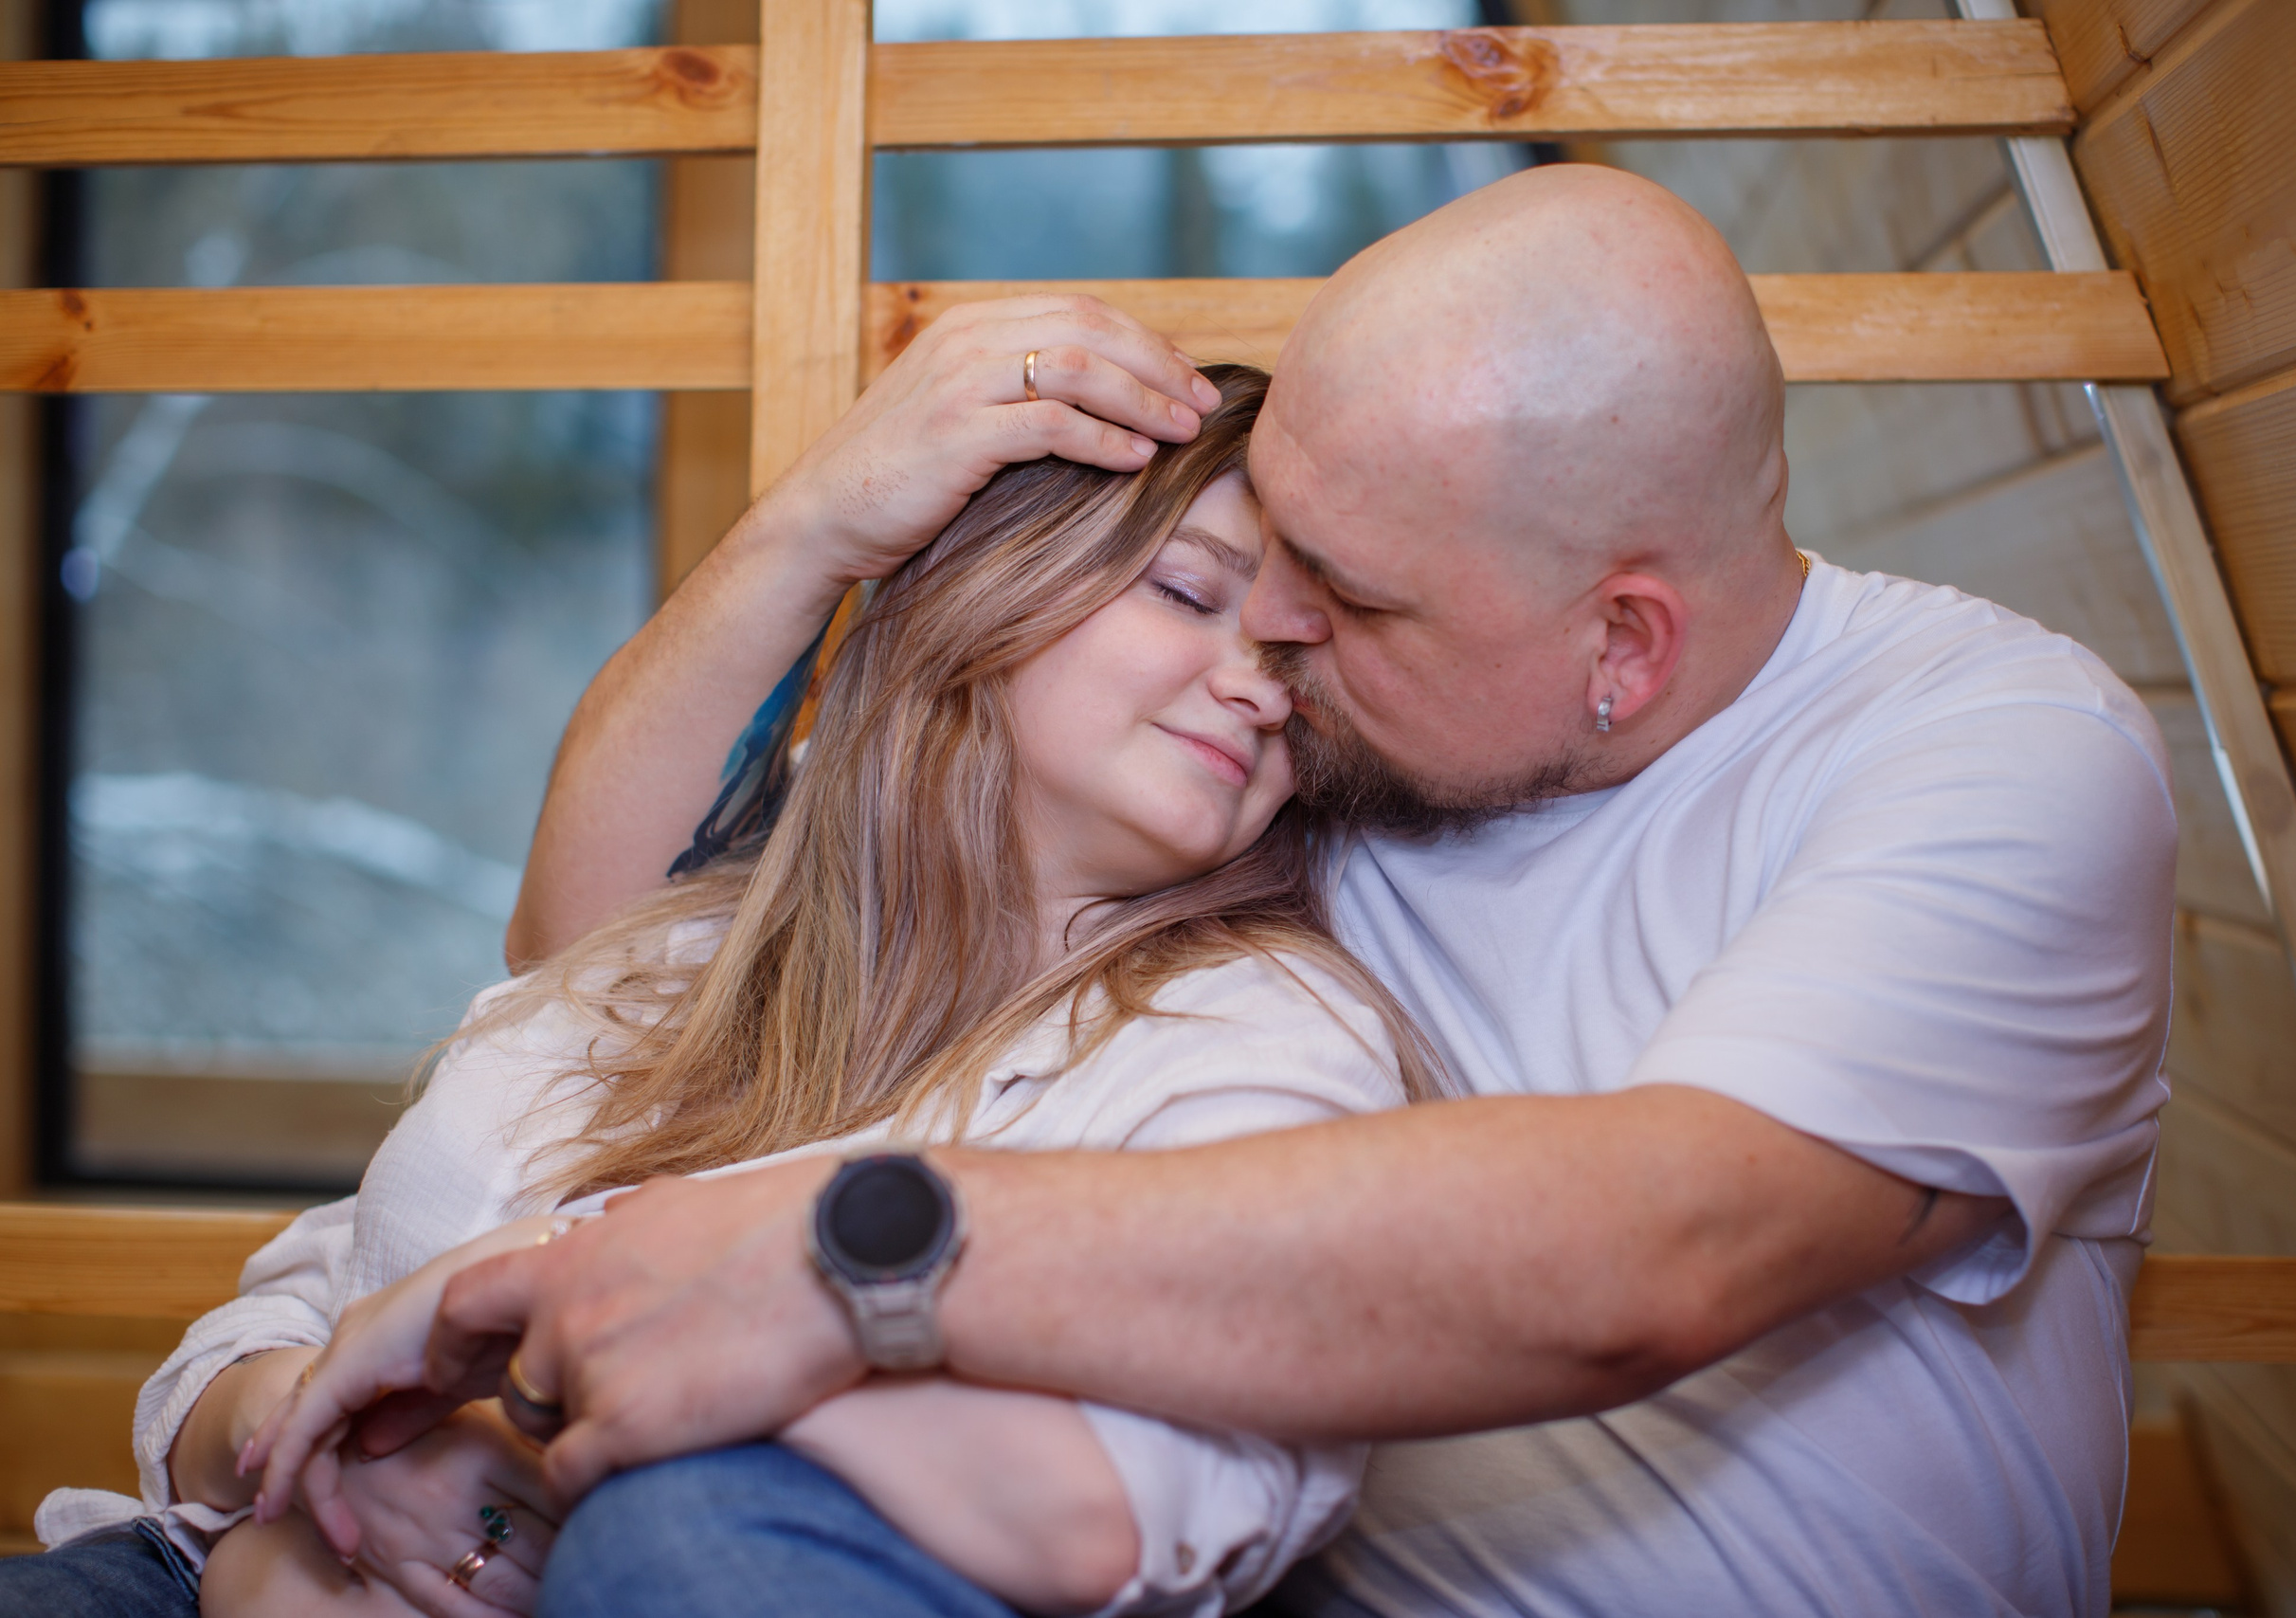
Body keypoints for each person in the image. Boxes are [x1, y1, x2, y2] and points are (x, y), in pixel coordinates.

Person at [247, 164, 2175, 1617]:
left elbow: (1646, 1253)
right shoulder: (1339, 742)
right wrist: (819, 522)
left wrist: (844, 1252)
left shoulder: (1989, 753)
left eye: (1334, 587)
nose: (1259, 630)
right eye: (1246, 568)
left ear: (1618, 647)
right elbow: (601, 936)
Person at [12, 366, 1447, 1618]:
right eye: (1191, 593)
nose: (1258, 686)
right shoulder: (681, 942)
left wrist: (549, 1441)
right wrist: (307, 1434)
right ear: (987, 581)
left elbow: (1180, 1499)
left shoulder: (1257, 1037)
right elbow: (281, 1312)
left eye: (1295, 662)